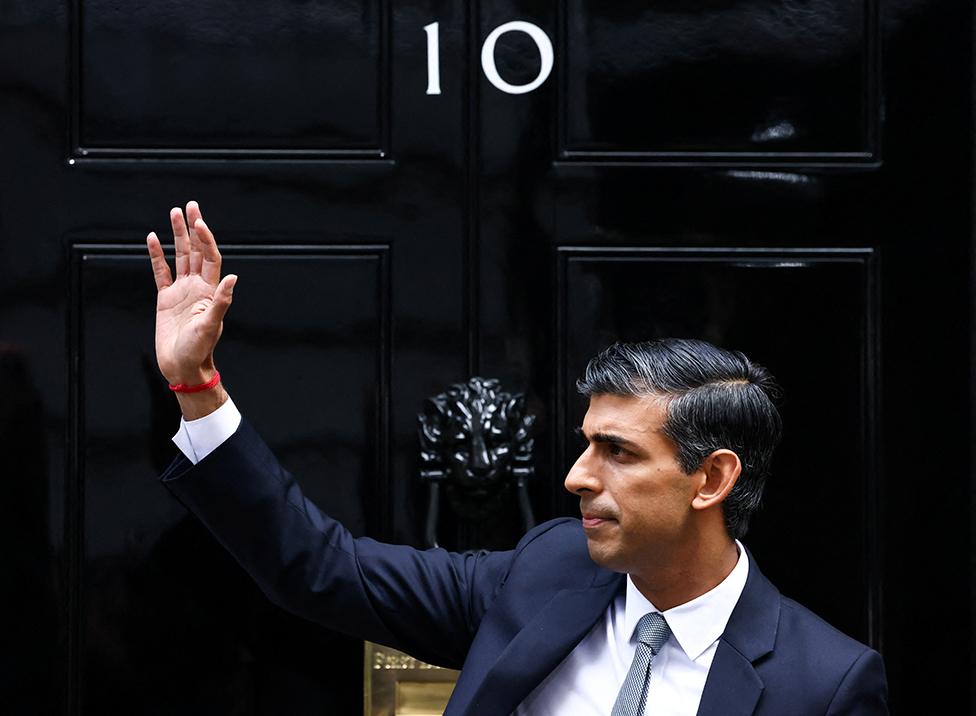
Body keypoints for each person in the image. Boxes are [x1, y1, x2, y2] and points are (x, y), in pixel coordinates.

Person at [146, 202, 889, 715]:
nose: (575, 476)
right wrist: (196, 385)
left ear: (713, 478)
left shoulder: (822, 683)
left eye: (618, 452)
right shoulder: (546, 570)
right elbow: (317, 566)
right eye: (585, 443)